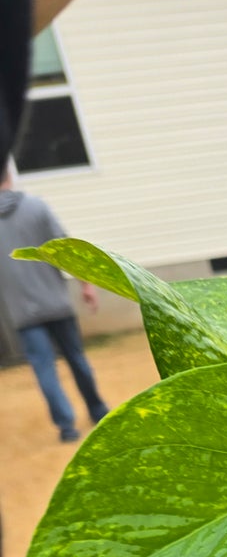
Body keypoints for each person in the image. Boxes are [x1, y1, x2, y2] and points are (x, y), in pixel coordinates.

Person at [0, 160, 109, 441]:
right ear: (9, 174)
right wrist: (86, 284)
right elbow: (65, 248)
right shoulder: (37, 207)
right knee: (76, 358)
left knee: (44, 367)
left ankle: (67, 427)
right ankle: (98, 410)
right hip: (57, 302)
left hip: (22, 311)